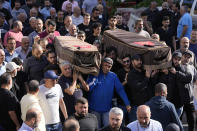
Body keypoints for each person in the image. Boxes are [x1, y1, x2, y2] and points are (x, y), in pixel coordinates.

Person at [87, 57, 131, 128]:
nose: (107, 68)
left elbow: (120, 90)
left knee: (109, 128)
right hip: (94, 109)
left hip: (107, 109)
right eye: (105, 65)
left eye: (109, 66)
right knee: (95, 129)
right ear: (101, 65)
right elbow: (88, 89)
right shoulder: (94, 74)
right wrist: (95, 79)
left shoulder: (113, 76)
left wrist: (127, 103)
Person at [127, 54, 153, 122]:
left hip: (148, 105)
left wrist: (152, 76)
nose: (140, 62)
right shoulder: (130, 75)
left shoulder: (144, 72)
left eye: (140, 60)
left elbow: (150, 85)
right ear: (132, 62)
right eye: (137, 60)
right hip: (136, 106)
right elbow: (138, 87)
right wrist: (147, 77)